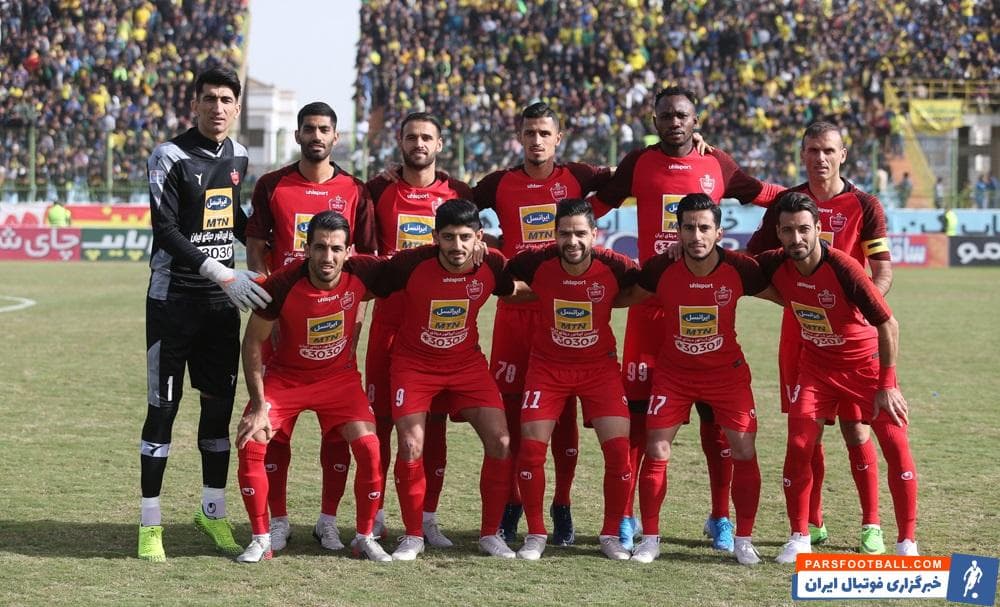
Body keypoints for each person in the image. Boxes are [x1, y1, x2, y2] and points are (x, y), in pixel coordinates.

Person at [593, 85, 781, 551]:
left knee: (715, 427)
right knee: (640, 423)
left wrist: (822, 197)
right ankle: (626, 518)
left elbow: (767, 195)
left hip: (702, 313)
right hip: (649, 311)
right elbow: (597, 203)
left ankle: (720, 517)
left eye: (682, 115)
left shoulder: (717, 163)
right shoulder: (639, 162)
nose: (674, 122)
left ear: (695, 120)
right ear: (654, 120)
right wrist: (558, 231)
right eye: (666, 115)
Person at [139, 66, 271, 562]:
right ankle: (150, 523)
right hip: (173, 303)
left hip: (220, 307)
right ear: (194, 104)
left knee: (217, 413)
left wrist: (270, 248)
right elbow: (166, 229)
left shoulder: (238, 155)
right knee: (163, 411)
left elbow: (233, 218)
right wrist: (221, 272)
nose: (218, 107)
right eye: (209, 98)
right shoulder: (168, 156)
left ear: (237, 107)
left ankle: (212, 513)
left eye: (226, 100)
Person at [746, 121, 893, 554]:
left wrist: (864, 306)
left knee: (856, 430)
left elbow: (883, 269)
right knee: (806, 434)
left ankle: (871, 524)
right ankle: (812, 523)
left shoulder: (865, 204)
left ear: (843, 154)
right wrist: (795, 299)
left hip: (849, 338)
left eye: (829, 150)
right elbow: (754, 265)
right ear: (802, 154)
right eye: (813, 150)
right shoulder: (787, 205)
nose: (821, 158)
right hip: (801, 335)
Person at [472, 102, 614, 545]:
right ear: (520, 136)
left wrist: (696, 149)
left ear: (558, 138)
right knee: (517, 414)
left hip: (563, 312)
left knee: (564, 414)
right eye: (529, 132)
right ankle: (514, 503)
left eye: (544, 133)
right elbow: (452, 202)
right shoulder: (499, 184)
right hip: (516, 314)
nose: (537, 140)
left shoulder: (579, 177)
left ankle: (562, 505)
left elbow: (629, 176)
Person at [245, 102, 377, 553]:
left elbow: (363, 263)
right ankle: (277, 521)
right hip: (281, 321)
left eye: (324, 129)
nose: (316, 136)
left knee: (339, 430)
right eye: (309, 129)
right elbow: (256, 248)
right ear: (298, 135)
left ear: (335, 137)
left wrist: (354, 324)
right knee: (273, 431)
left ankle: (328, 521)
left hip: (334, 324)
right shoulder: (272, 185)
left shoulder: (355, 190)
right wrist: (271, 303)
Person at [758, 192, 918, 562]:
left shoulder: (844, 268)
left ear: (818, 229)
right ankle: (799, 536)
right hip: (816, 369)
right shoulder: (773, 263)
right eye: (787, 231)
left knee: (895, 446)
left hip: (865, 369)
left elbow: (889, 324)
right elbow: (733, 269)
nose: (796, 238)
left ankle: (906, 542)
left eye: (803, 229)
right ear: (778, 233)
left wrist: (887, 384)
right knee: (799, 444)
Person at [618, 194, 778, 565]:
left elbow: (785, 295)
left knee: (743, 451)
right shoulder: (661, 268)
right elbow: (623, 297)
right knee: (657, 450)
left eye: (704, 227)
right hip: (674, 376)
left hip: (726, 376)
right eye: (688, 227)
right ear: (678, 232)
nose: (696, 235)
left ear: (719, 232)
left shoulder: (740, 268)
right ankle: (651, 539)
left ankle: (743, 540)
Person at [233, 211, 390, 563]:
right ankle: (264, 535)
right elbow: (252, 342)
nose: (327, 257)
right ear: (306, 249)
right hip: (287, 379)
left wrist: (481, 252)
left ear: (349, 251)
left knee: (370, 448)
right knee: (252, 440)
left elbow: (413, 266)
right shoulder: (282, 284)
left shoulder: (363, 272)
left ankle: (361, 536)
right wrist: (257, 405)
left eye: (336, 249)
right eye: (319, 247)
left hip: (339, 381)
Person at [372, 198, 523, 560]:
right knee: (411, 445)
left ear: (479, 237)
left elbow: (521, 288)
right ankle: (413, 536)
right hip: (414, 365)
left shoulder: (493, 264)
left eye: (465, 237)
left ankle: (490, 534)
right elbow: (363, 279)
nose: (457, 246)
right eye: (449, 237)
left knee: (501, 441)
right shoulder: (410, 264)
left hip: (466, 365)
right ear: (435, 237)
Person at [505, 198, 637, 561]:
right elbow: (500, 276)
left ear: (595, 234)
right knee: (531, 449)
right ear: (555, 235)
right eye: (565, 234)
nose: (572, 241)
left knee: (619, 452)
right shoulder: (536, 262)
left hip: (599, 370)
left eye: (580, 233)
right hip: (547, 369)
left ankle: (610, 534)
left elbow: (646, 284)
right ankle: (536, 534)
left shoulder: (616, 265)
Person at [365, 112, 474, 547]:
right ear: (400, 141)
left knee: (434, 427)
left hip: (436, 331)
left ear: (440, 144)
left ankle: (428, 517)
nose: (419, 144)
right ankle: (374, 514)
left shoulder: (458, 192)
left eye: (427, 137)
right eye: (411, 137)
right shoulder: (377, 189)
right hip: (389, 326)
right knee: (380, 424)